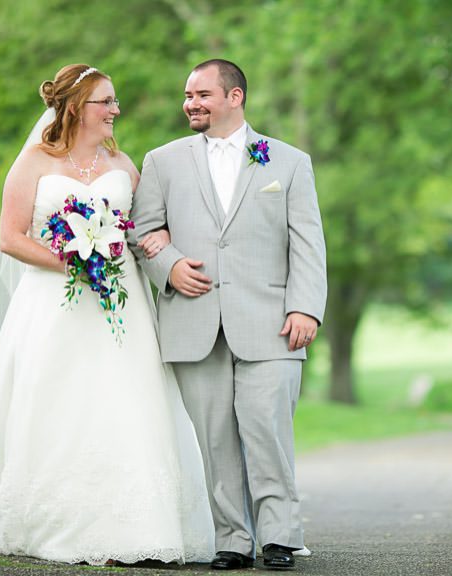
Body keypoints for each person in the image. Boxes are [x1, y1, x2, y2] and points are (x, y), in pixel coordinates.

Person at [0, 64, 214, 566]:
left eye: (115, 101)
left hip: (120, 309)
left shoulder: (123, 164)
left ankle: (139, 525)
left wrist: (164, 251)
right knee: (56, 401)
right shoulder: (34, 162)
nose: (116, 110)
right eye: (108, 101)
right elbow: (11, 238)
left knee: (128, 401)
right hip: (51, 306)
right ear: (78, 107)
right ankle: (49, 518)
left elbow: (146, 228)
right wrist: (73, 262)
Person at [129, 59, 327, 571]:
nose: (190, 103)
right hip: (192, 322)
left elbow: (308, 243)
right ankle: (233, 541)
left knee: (267, 433)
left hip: (273, 323)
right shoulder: (162, 162)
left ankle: (280, 537)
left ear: (234, 97)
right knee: (214, 440)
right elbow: (141, 232)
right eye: (187, 95)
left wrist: (306, 307)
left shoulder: (289, 162)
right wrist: (170, 267)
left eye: (202, 94)